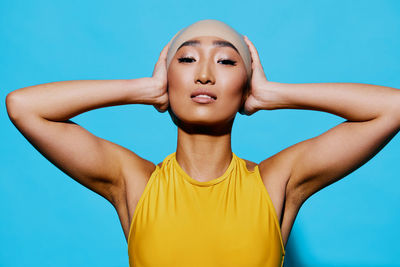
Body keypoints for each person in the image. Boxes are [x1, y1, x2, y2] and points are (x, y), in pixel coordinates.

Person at [5, 19, 400, 267]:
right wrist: (143, 89)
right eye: (187, 59)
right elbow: (23, 106)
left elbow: (393, 108)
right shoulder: (135, 183)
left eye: (227, 62)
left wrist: (272, 94)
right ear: (167, 78)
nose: (205, 75)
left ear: (244, 84)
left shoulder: (276, 182)